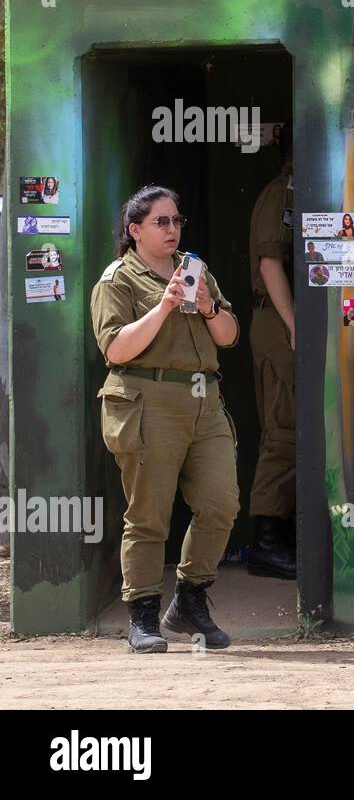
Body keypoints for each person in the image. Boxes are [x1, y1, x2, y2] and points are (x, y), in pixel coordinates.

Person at [90, 186, 242, 653]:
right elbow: (115, 348)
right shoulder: (118, 280)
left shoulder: (196, 272)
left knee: (221, 503)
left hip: (204, 401)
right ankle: (143, 616)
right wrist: (164, 307)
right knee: (149, 514)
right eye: (161, 222)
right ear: (134, 230)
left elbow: (230, 335)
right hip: (146, 400)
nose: (172, 229)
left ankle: (190, 599)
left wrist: (207, 306)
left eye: (176, 220)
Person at [247, 123, 297, 581]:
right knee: (284, 430)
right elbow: (269, 262)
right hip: (276, 319)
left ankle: (279, 537)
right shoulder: (282, 191)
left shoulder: (303, 186)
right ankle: (265, 543)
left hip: (283, 319)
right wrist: (292, 321)